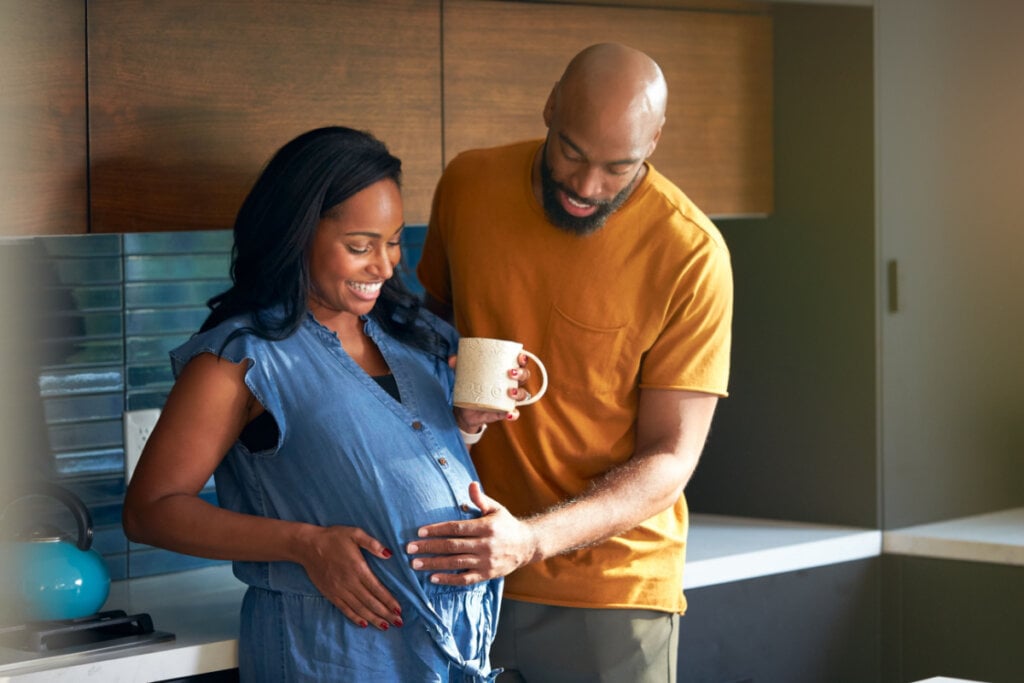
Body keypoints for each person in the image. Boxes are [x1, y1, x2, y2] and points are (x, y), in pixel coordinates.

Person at [122, 126, 515, 682]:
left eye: (394, 240)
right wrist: (304, 544)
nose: (384, 266)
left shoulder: (414, 334)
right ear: (296, 235)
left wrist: (469, 424)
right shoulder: (240, 360)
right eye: (360, 246)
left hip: (450, 655)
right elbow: (149, 510)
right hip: (331, 654)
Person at [410, 43, 733, 682]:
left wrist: (529, 540)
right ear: (550, 106)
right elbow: (425, 341)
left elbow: (671, 458)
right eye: (572, 153)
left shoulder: (689, 254)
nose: (588, 187)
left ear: (656, 139)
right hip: (463, 571)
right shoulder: (469, 186)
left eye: (620, 167)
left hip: (611, 589)